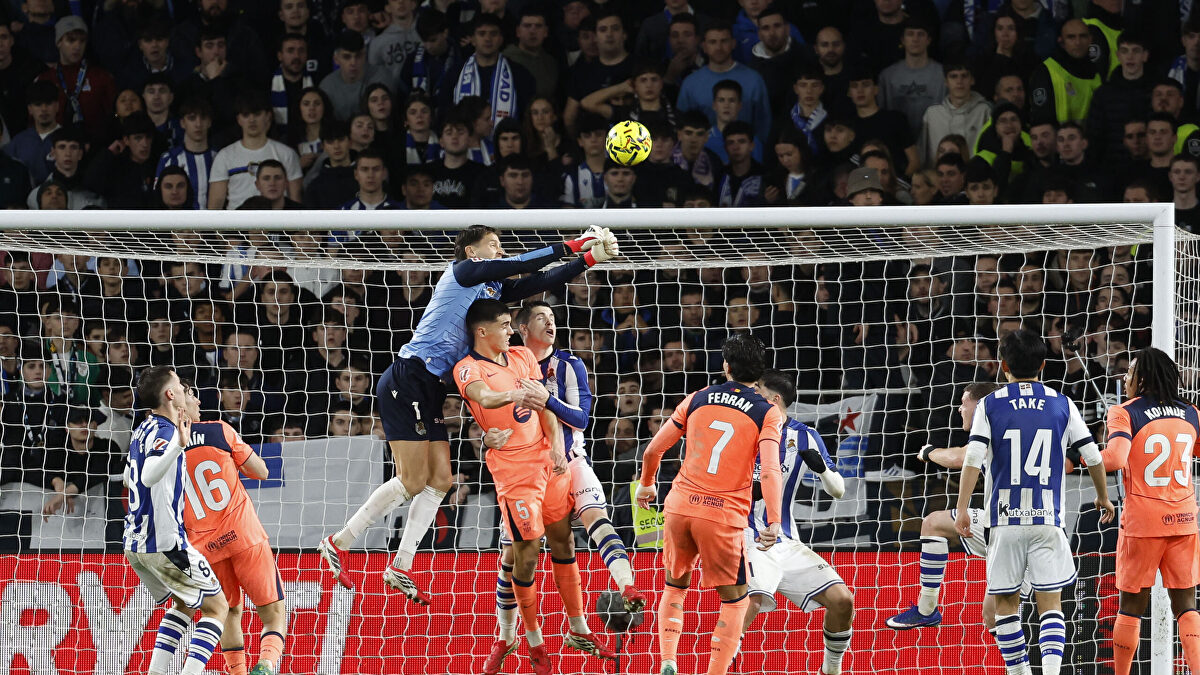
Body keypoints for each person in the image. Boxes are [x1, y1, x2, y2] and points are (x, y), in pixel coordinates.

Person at [318, 225, 620, 603]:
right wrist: (572, 243)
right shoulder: (462, 272)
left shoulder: (490, 293)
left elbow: (538, 280)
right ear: (472, 252)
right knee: (412, 480)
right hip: (409, 376)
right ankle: (338, 541)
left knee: (441, 480)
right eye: (493, 245)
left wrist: (588, 260)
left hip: (431, 387)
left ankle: (401, 565)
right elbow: (520, 262)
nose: (500, 251)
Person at [459, 299, 618, 674]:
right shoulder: (467, 367)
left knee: (563, 540)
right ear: (483, 332)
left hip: (548, 460)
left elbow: (545, 405)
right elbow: (483, 396)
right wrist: (510, 401)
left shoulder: (521, 356)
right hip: (513, 471)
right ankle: (531, 641)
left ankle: (578, 628)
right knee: (524, 554)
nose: (511, 330)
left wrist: (557, 448)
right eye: (503, 324)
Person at [954, 330, 1114, 675]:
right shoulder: (1060, 401)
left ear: (1003, 365)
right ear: (1043, 365)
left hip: (1005, 520)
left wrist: (964, 507)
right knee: (1050, 604)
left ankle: (1019, 673)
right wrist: (1102, 496)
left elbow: (973, 459)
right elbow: (1093, 456)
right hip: (1048, 519)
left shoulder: (990, 403)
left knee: (1006, 605)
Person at [636, 333, 785, 675]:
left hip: (679, 506)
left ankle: (668, 661)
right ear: (759, 373)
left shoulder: (697, 399)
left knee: (675, 585)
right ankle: (714, 671)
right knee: (735, 599)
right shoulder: (767, 412)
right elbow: (771, 470)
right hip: (721, 516)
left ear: (726, 367)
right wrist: (773, 520)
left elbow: (652, 451)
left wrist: (646, 486)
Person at [741, 370, 853, 675]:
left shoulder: (804, 436)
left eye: (757, 392)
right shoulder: (742, 429)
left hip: (785, 540)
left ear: (773, 399)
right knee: (752, 600)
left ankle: (830, 670)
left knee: (843, 601)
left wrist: (822, 470)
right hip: (744, 535)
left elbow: (839, 490)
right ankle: (719, 661)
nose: (750, 398)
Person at [1098, 348, 1200, 675]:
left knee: (1130, 609)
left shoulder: (1124, 412)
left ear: (1141, 379)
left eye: (1128, 373)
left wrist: (1080, 458)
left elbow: (1113, 459)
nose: (1124, 379)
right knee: (1186, 607)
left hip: (1143, 522)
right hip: (1184, 519)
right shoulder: (1191, 413)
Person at [123, 366, 228, 675]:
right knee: (217, 607)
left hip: (136, 542)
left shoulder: (143, 428)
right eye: (181, 387)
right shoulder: (167, 431)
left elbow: (129, 480)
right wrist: (179, 446)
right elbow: (147, 474)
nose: (185, 391)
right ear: (171, 394)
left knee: (183, 604)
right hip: (165, 542)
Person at [177, 382, 286, 675]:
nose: (198, 400)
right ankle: (264, 665)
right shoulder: (219, 430)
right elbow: (261, 471)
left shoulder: (163, 446)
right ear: (176, 401)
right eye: (191, 395)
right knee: (274, 614)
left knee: (228, 613)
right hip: (244, 535)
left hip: (204, 549)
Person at [886, 381, 1005, 629]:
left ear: (981, 405)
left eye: (964, 403)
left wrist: (929, 452)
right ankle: (926, 609)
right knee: (933, 523)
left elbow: (959, 457)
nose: (959, 410)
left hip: (1017, 533)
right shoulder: (1000, 429)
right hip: (996, 522)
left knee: (995, 619)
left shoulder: (999, 430)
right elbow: (963, 451)